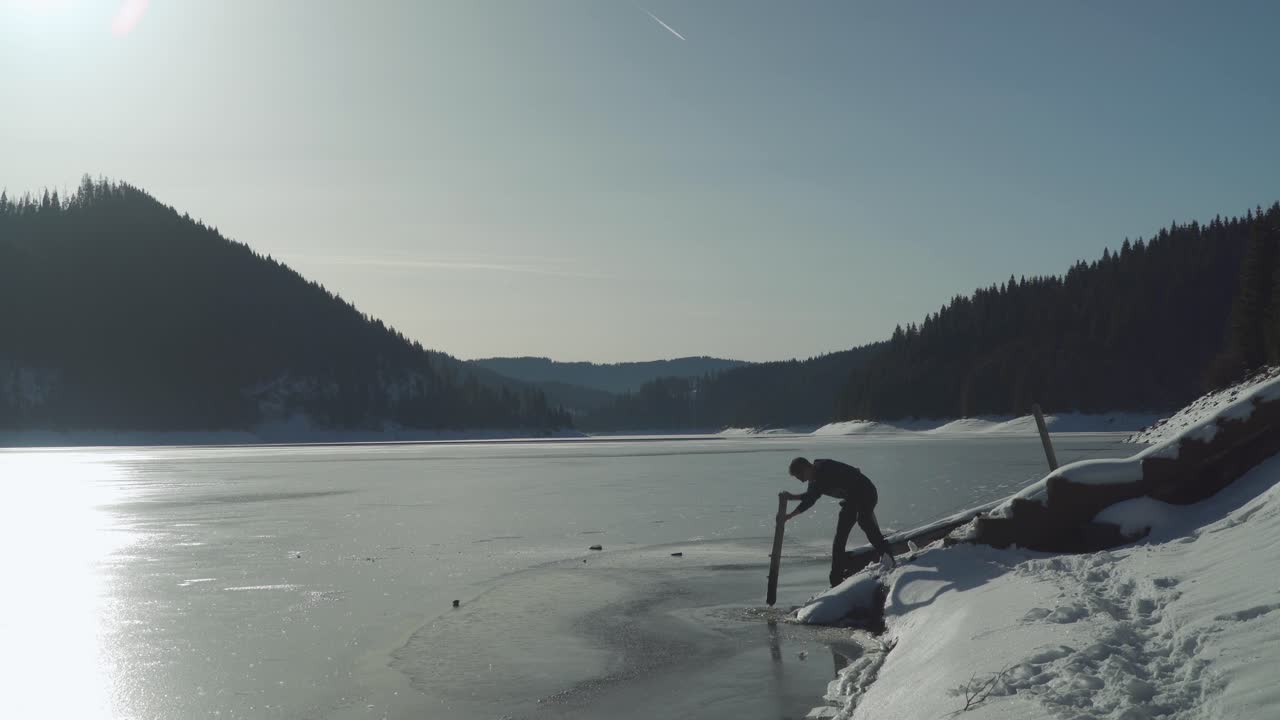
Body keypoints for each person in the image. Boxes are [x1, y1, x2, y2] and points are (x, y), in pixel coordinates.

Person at [780, 456, 895, 586]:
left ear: (806, 468)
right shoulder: (814, 478)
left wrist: (791, 498)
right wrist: (790, 515)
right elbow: (810, 499)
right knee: (839, 538)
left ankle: (888, 558)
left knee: (864, 522)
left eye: (800, 476)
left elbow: (811, 496)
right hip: (851, 499)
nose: (801, 481)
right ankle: (835, 581)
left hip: (866, 493)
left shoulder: (824, 469)